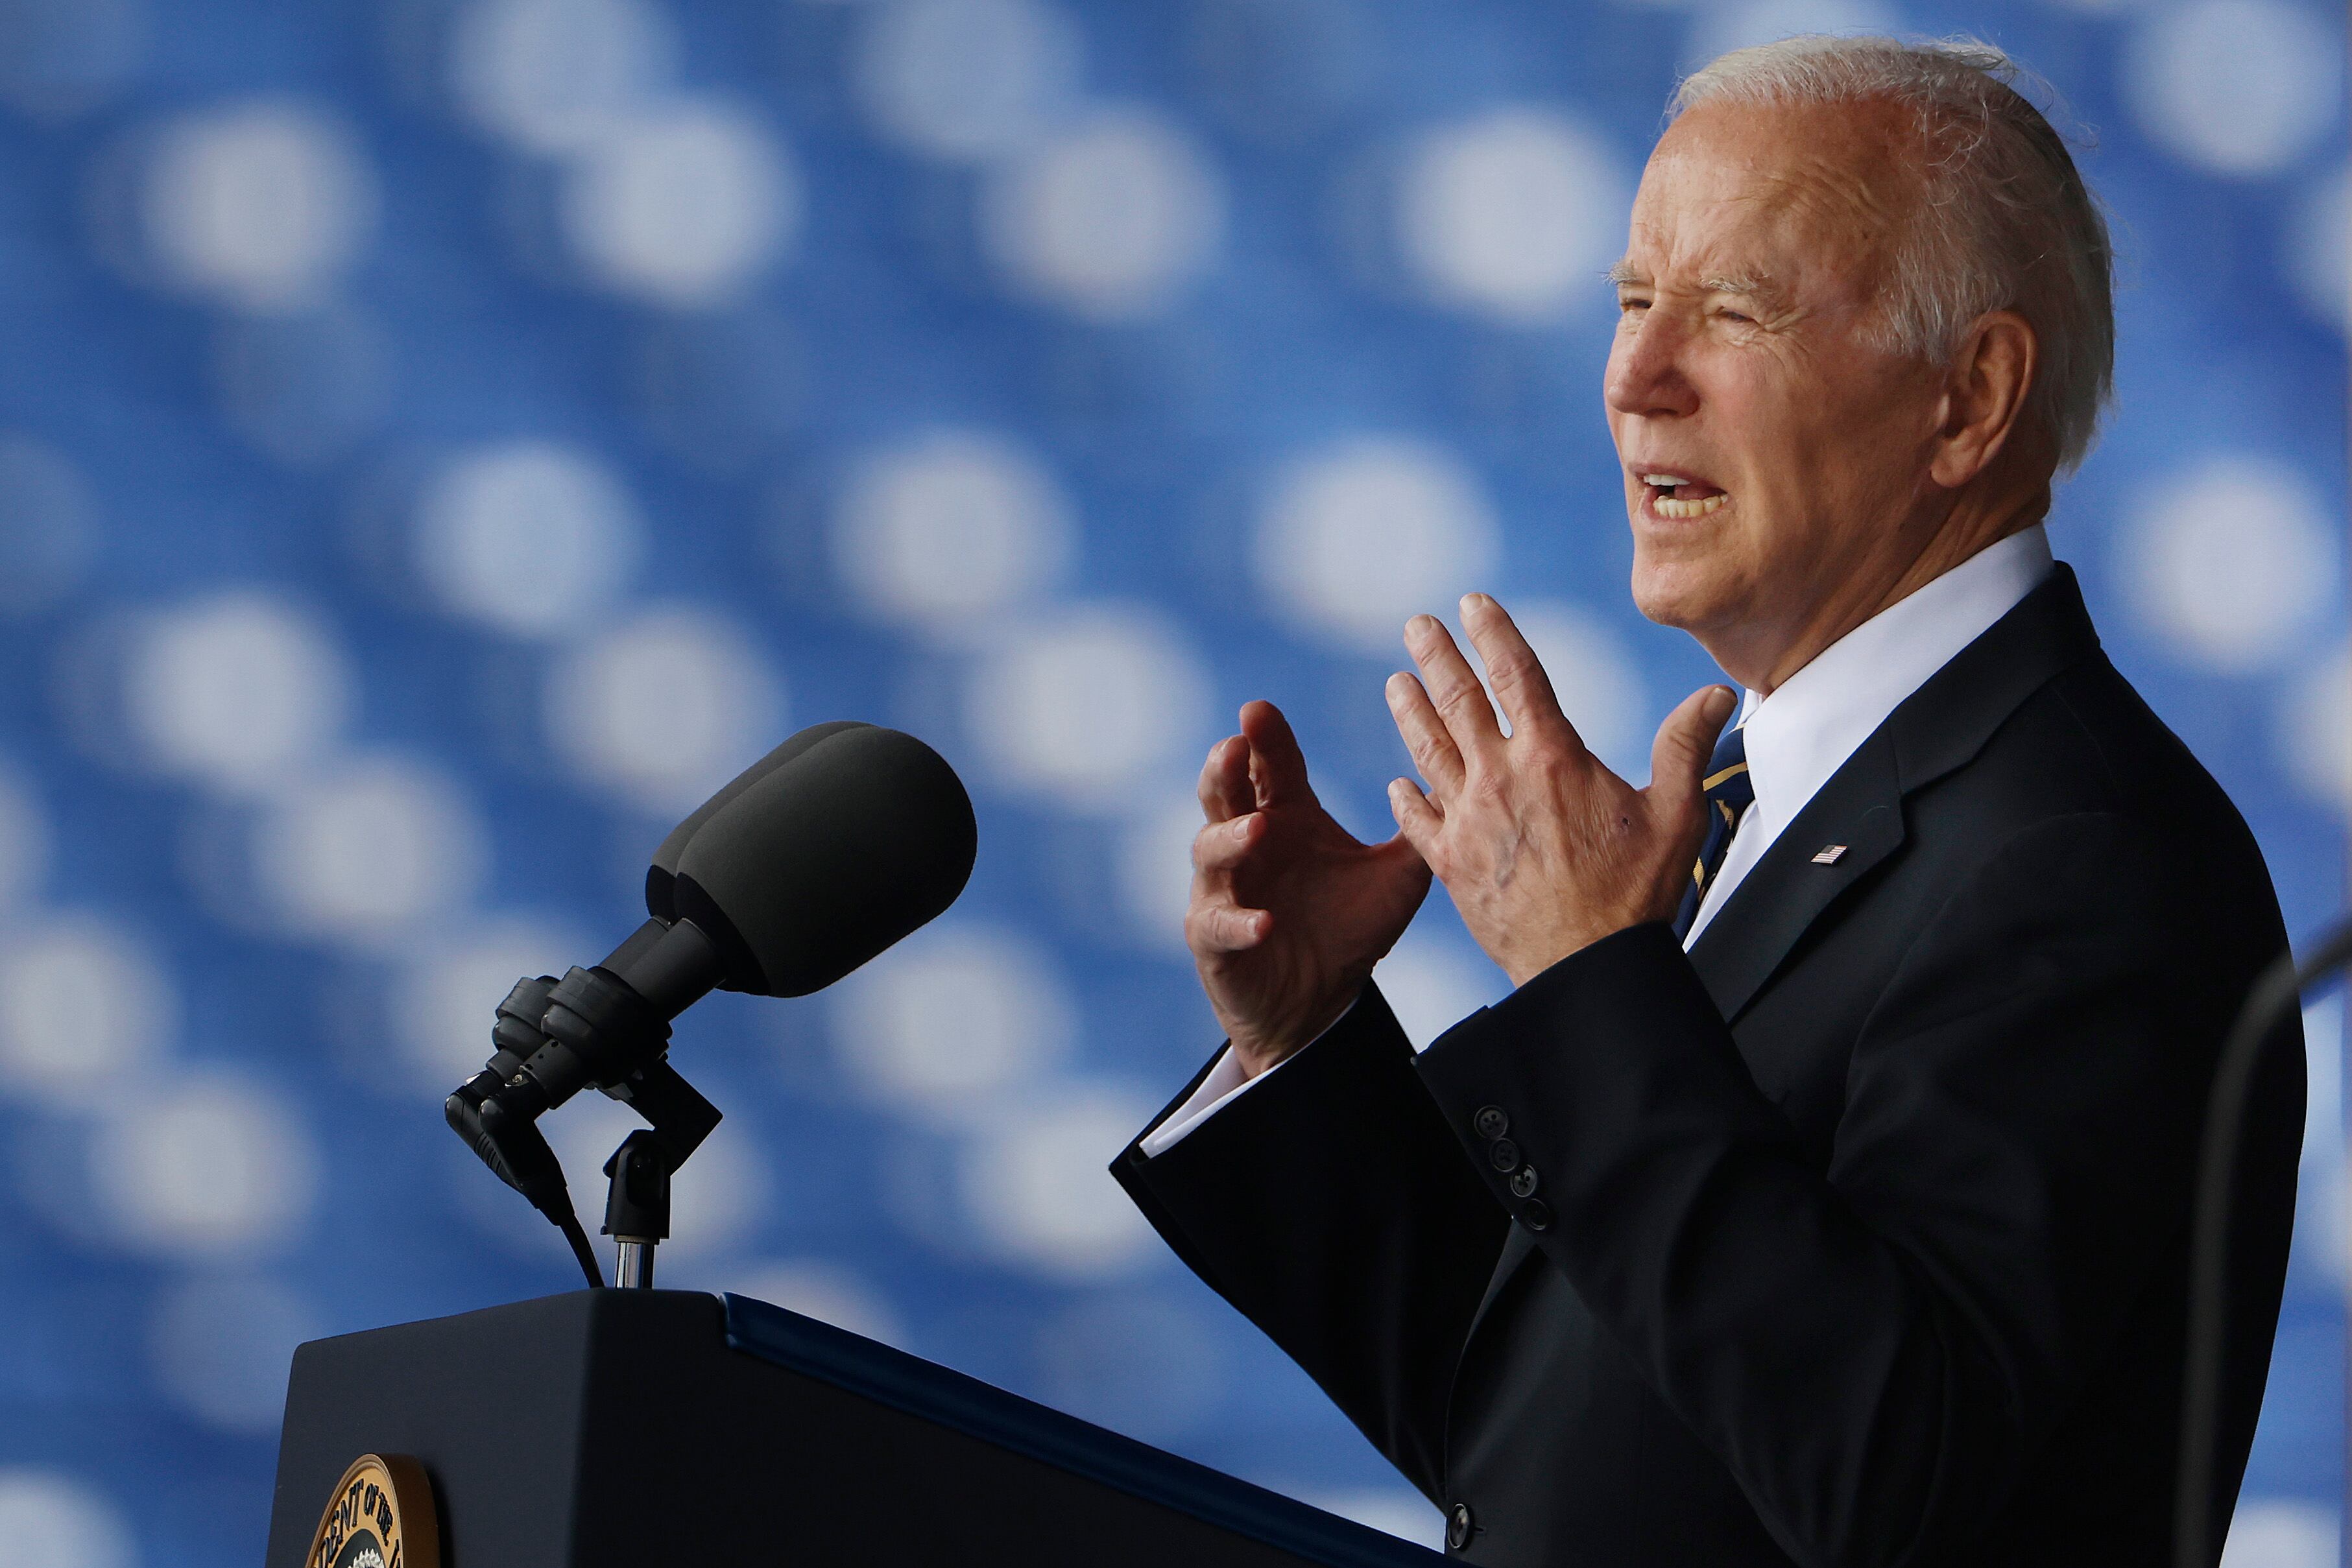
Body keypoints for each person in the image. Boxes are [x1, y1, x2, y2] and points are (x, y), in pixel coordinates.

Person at [1112, 36, 2303, 1568]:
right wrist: (1306, 1042)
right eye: (1630, 301)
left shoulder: (2083, 854)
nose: (1630, 380)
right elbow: (1566, 1429)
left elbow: (1888, 1472)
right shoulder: (1773, 808)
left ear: (1970, 398)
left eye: (1731, 309)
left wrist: (1587, 981)